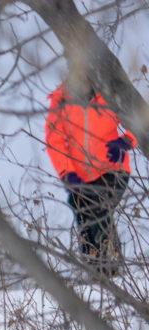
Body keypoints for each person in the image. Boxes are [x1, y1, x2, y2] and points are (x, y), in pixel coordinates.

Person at [45, 67, 137, 276]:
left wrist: (126, 141)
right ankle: (93, 272)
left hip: (113, 169)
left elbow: (140, 118)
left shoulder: (109, 92)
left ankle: (110, 269)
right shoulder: (61, 100)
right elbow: (55, 140)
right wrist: (67, 173)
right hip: (80, 177)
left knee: (100, 207)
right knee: (82, 212)